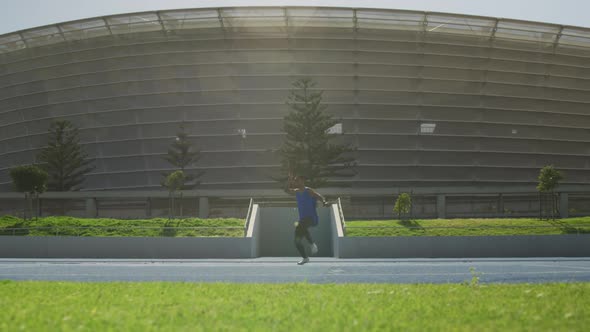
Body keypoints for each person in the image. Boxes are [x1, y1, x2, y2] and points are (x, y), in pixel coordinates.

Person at [287, 174, 328, 265]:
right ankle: (305, 257)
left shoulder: (308, 190)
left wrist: (324, 201)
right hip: (302, 220)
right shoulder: (296, 191)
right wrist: (289, 181)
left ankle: (312, 244)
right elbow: (288, 191)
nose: (296, 182)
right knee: (296, 241)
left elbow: (319, 196)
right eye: (295, 180)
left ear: (302, 180)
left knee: (301, 224)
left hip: (312, 218)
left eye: (298, 180)